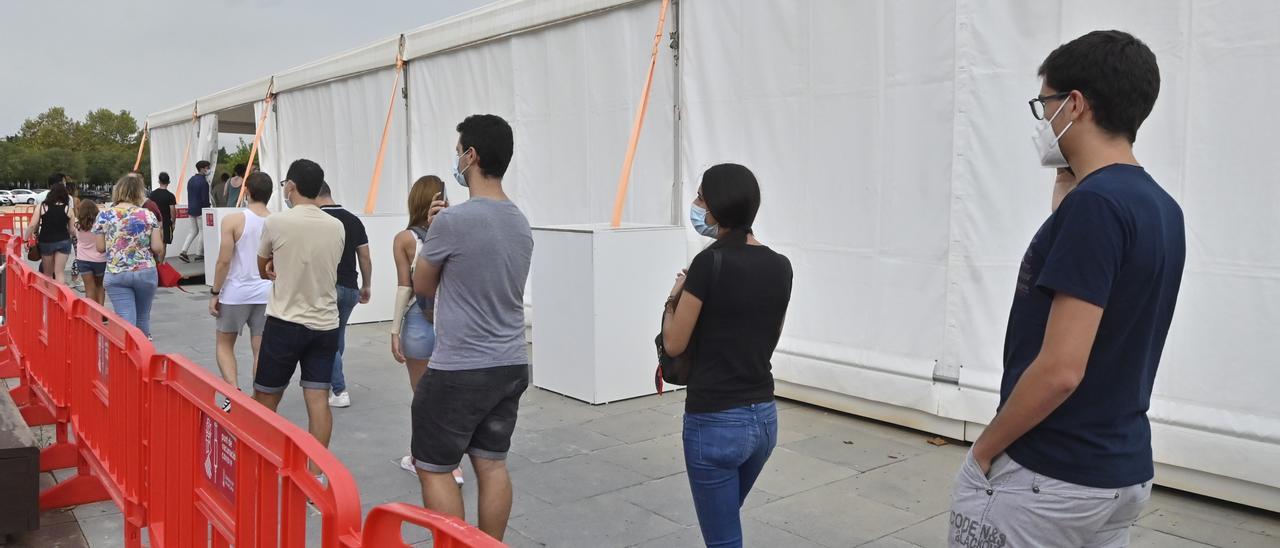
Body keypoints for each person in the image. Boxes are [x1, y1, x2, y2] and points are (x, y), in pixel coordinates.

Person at [948, 31, 1185, 548]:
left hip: (1051, 472)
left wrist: (983, 450)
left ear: (1074, 104)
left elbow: (1060, 369)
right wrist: (1067, 174)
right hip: (1118, 468)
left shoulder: (1096, 207)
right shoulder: (1159, 207)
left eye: (1045, 105)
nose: (1043, 120)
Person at [411, 114, 531, 541]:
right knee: (492, 463)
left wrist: (433, 234)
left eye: (459, 150)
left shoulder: (452, 221)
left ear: (472, 155)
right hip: (511, 361)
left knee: (434, 467)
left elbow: (422, 286)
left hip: (461, 367)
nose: (456, 159)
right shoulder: (519, 221)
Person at [661, 164, 793, 548]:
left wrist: (674, 295)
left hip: (715, 422)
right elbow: (772, 335)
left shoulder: (708, 263)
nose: (697, 205)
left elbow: (674, 344)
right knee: (723, 525)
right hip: (764, 420)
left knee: (722, 540)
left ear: (717, 208)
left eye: (701, 197)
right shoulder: (781, 266)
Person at [252, 159, 344, 476]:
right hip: (325, 323)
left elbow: (262, 266)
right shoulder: (336, 226)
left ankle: (262, 464)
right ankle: (315, 473)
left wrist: (275, 267)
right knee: (318, 398)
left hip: (284, 322)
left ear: (291, 186)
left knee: (266, 397)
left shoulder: (277, 222)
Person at [390, 175, 463, 484]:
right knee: (450, 397)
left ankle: (422, 458)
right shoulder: (457, 232)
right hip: (453, 323)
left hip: (418, 324)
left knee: (422, 398)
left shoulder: (404, 239)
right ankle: (454, 465)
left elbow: (404, 287)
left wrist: (394, 331)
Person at [210, 172, 274, 398]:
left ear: (246, 191)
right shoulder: (276, 222)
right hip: (266, 293)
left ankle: (232, 393)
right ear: (271, 193)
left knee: (225, 344)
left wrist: (215, 292)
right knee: (261, 350)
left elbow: (224, 261)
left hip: (236, 293)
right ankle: (258, 400)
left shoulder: (233, 221)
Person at [314, 182, 371, 409]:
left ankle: (339, 390)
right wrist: (366, 285)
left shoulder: (317, 220)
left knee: (325, 341)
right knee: (337, 336)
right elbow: (365, 257)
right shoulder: (353, 219)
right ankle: (331, 383)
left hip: (327, 287)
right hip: (350, 288)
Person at [93, 173, 164, 338]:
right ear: (139, 192)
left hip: (117, 272)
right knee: (143, 316)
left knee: (125, 317)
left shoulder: (104, 215)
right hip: (145, 271)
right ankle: (144, 354)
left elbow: (100, 248)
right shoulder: (147, 214)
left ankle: (129, 355)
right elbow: (157, 248)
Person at [26, 178, 74, 284]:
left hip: (46, 241)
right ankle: (60, 299)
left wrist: (25, 240)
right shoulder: (68, 209)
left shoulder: (42, 207)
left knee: (47, 273)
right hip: (64, 241)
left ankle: (48, 299)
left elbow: (32, 225)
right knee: (59, 272)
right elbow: (71, 230)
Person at [73, 198, 107, 305]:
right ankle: (102, 313)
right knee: (100, 286)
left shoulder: (77, 225)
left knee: (89, 288)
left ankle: (91, 313)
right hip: (100, 259)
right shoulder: (100, 224)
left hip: (83, 259)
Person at [179, 160, 212, 263]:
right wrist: (207, 208)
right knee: (202, 231)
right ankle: (199, 254)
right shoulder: (204, 182)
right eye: (207, 167)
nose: (208, 170)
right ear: (202, 169)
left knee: (193, 231)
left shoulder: (191, 180)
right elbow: (205, 199)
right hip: (201, 210)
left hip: (191, 209)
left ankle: (183, 251)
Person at [149, 172, 178, 245]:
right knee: (164, 244)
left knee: (154, 243)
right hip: (166, 222)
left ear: (159, 181)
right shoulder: (170, 196)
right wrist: (173, 222)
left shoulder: (152, 194)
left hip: (154, 221)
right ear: (169, 182)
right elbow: (172, 211)